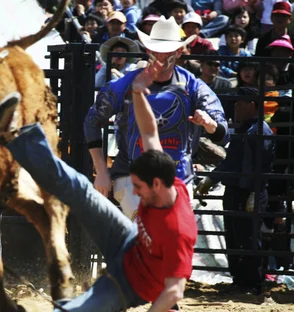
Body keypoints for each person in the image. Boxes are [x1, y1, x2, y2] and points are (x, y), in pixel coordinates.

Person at [0, 63, 197, 312]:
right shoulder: (166, 177)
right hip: (127, 242)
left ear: (156, 185)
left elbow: (175, 291)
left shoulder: (179, 229)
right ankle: (14, 134)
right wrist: (139, 92)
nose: (136, 193)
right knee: (80, 187)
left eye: (139, 188)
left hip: (129, 286)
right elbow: (150, 131)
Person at [85, 16, 228, 222]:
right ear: (147, 49)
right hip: (131, 174)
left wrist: (210, 124)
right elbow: (92, 121)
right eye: (155, 50)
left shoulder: (194, 87)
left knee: (171, 234)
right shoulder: (123, 85)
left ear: (178, 52)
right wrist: (101, 170)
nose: (160, 56)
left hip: (179, 176)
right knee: (145, 230)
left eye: (167, 51)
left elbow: (221, 130)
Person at [195, 87, 275, 295]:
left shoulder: (259, 131)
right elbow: (232, 162)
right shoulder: (244, 130)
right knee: (234, 236)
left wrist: (255, 193)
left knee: (248, 238)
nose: (235, 108)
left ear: (251, 105)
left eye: (239, 104)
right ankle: (240, 281)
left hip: (247, 190)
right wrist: (212, 178)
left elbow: (263, 165)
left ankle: (252, 283)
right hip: (235, 189)